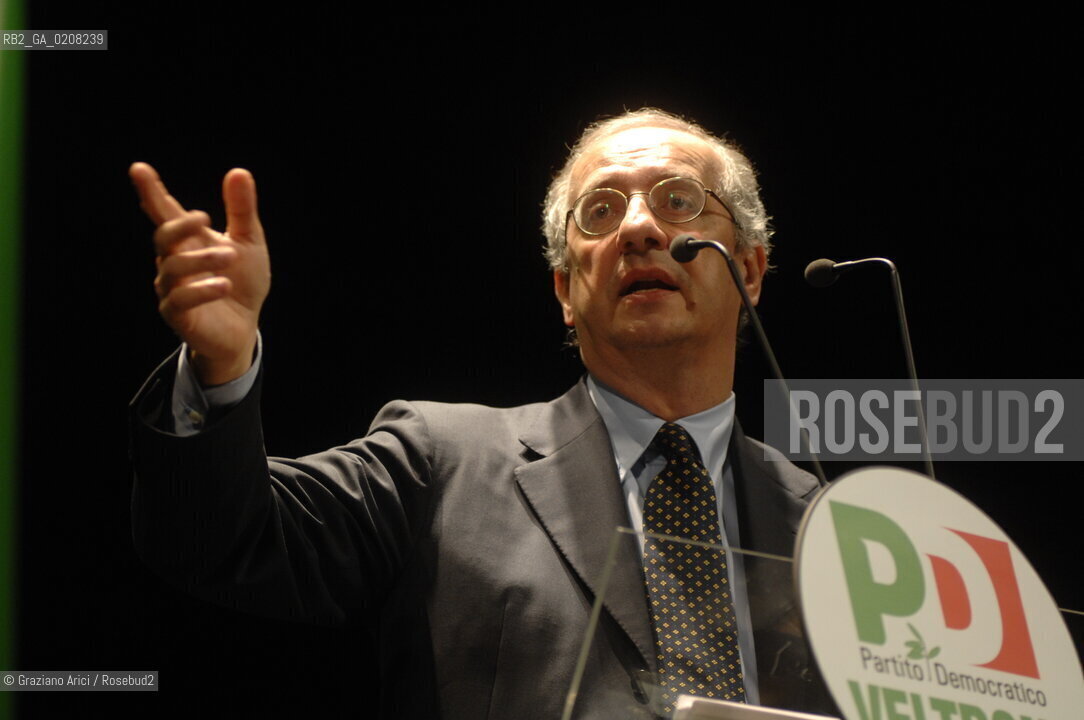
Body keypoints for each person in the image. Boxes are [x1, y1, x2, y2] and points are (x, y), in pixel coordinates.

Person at [128, 108, 834, 719]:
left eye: (679, 200)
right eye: (601, 210)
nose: (639, 228)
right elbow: (219, 540)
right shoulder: (440, 460)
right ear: (566, 288)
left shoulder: (834, 527)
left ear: (748, 271)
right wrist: (219, 370)